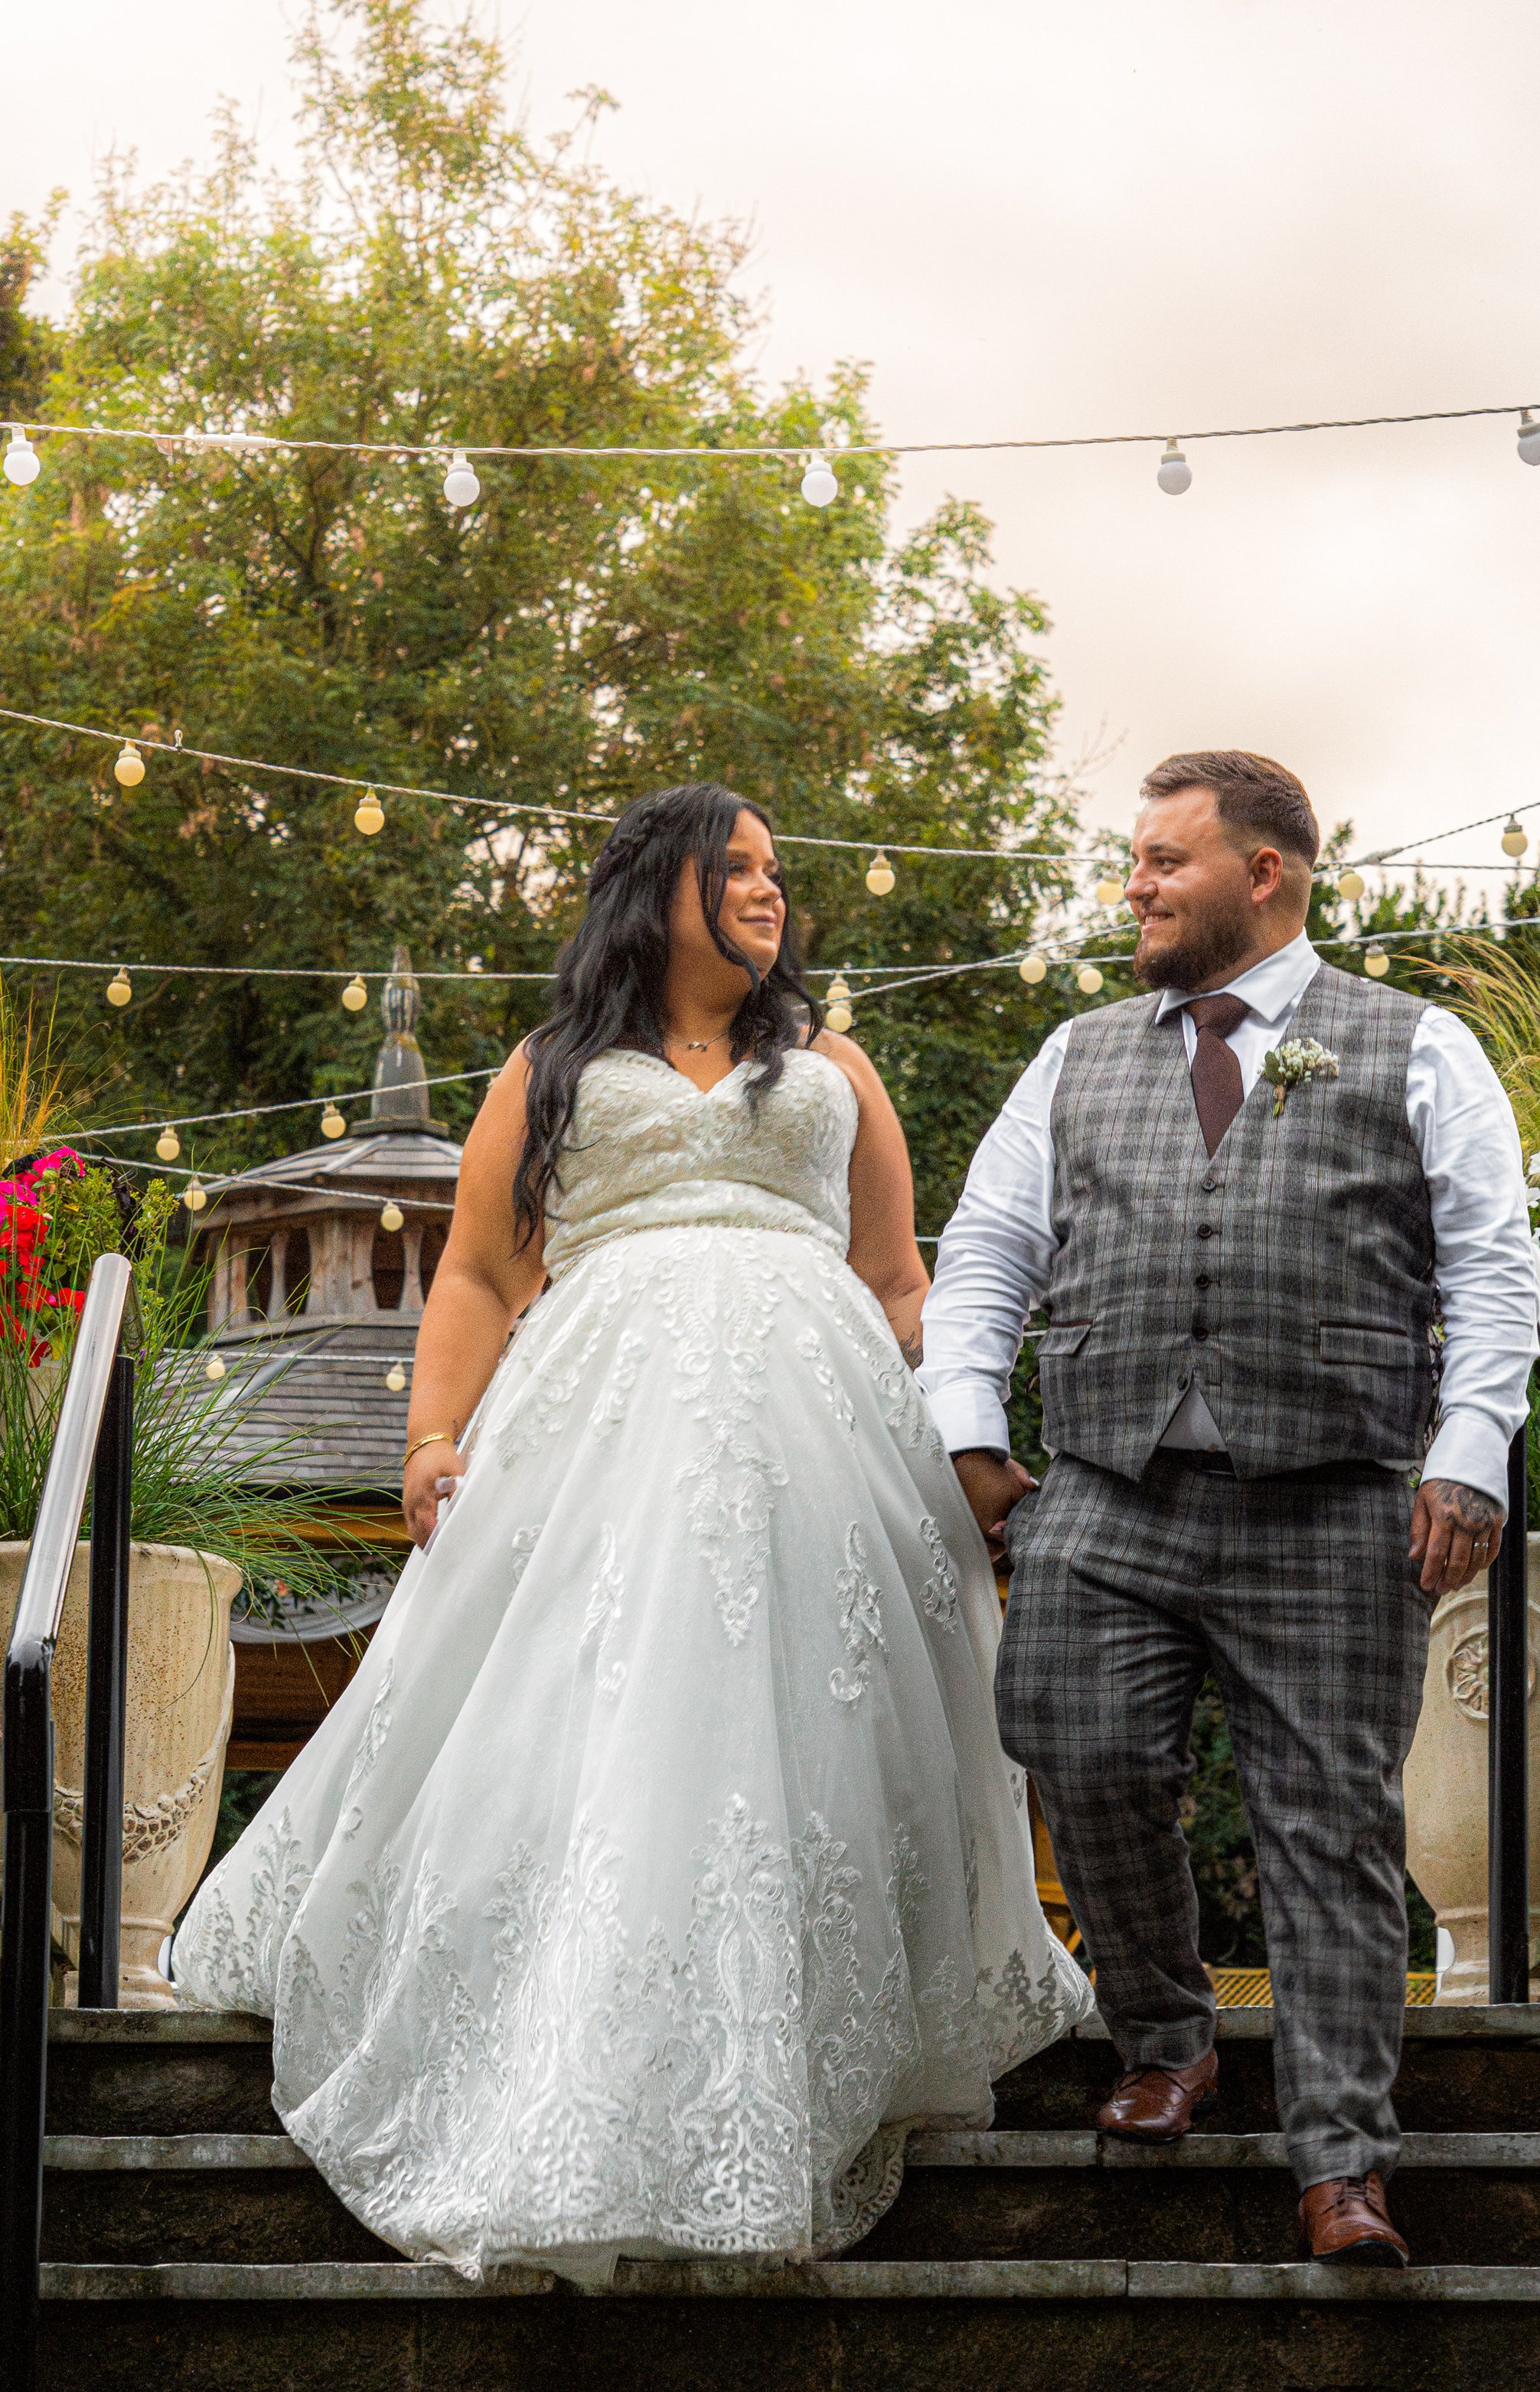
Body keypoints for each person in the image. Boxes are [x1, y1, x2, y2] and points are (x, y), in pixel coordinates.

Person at [173, 782, 1091, 2286]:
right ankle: (565, 2043)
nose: (763, 888)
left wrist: (967, 1442)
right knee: (596, 1719)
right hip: (591, 1433)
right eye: (732, 866)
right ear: (652, 886)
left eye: (774, 869)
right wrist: (429, 1436)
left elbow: (897, 1280)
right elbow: (473, 1273)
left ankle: (797, 2062)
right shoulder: (550, 1069)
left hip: (831, 1446)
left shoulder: (837, 1064)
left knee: (821, 1727)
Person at [919, 749, 1535, 2269]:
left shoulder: (1414, 1047)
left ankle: (1340, 2165)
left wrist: (1470, 1444)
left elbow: (1489, 1256)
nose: (1133, 886)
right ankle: (1167, 2034)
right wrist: (966, 1426)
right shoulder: (1075, 1055)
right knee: (1070, 1740)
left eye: (1162, 861)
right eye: (1132, 861)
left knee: (1327, 1827)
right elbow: (991, 1240)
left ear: (1265, 873)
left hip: (1329, 1501)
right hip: (1106, 1485)